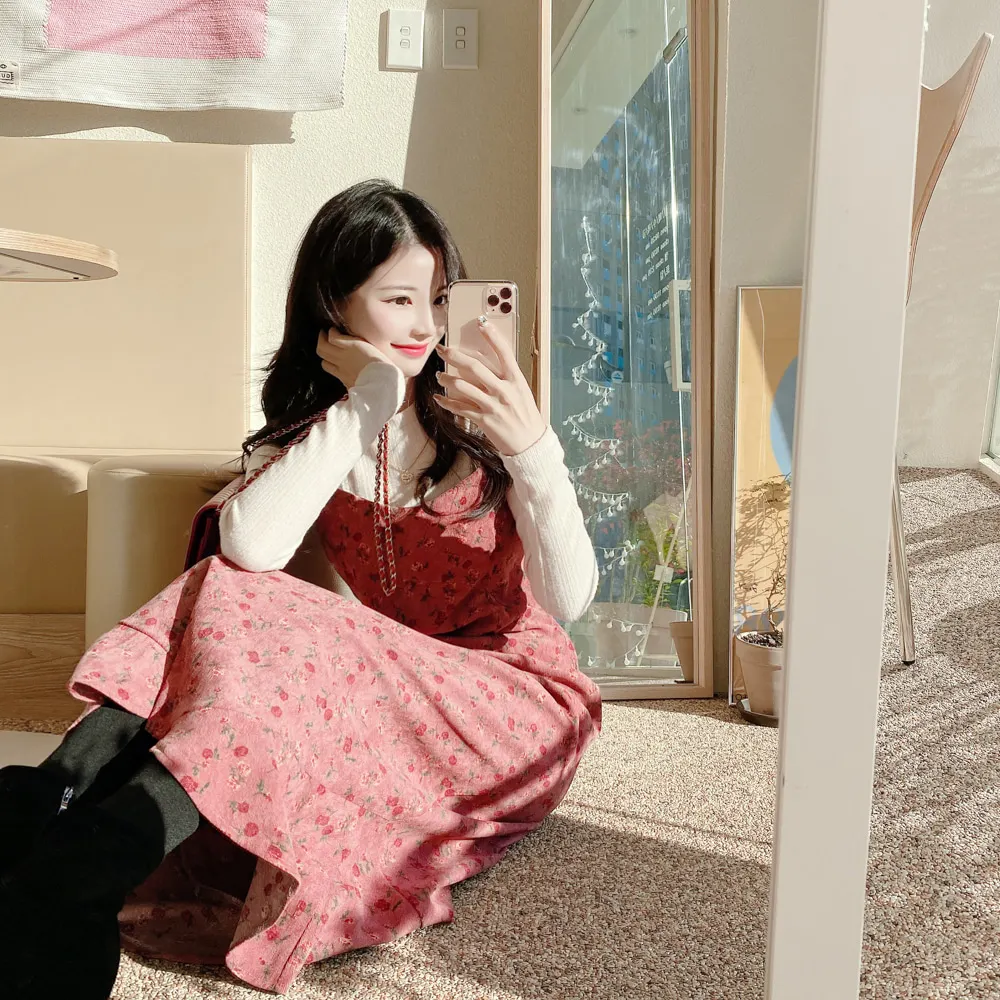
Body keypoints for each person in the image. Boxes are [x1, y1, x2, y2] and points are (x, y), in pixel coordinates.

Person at [0, 179, 602, 998]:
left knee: (254, 592)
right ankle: (53, 810)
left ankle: (72, 830)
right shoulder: (327, 433)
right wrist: (367, 404)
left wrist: (533, 449)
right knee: (232, 579)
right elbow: (251, 546)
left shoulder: (486, 427)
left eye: (436, 299)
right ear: (335, 309)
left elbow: (568, 599)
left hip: (512, 708)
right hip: (398, 699)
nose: (426, 327)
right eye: (398, 300)